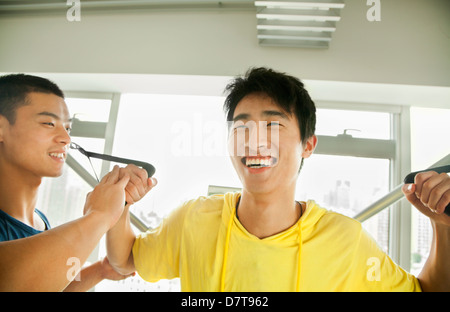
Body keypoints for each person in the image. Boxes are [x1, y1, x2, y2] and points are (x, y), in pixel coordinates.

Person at [106, 67, 450, 291]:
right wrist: (119, 205)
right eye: (241, 126)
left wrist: (443, 226)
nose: (254, 140)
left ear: (308, 145)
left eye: (273, 125)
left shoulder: (346, 240)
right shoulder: (194, 219)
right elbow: (126, 260)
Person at [0, 74, 153, 291]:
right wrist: (99, 216)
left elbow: (48, 284)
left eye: (68, 128)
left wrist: (100, 270)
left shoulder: (38, 221)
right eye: (48, 123)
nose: (66, 138)